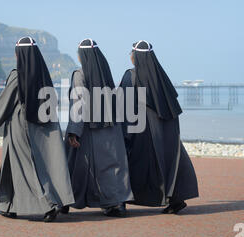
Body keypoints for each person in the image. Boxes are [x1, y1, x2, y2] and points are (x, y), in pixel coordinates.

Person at [0, 37, 74, 222]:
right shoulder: (43, 75)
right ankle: (9, 206)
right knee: (26, 167)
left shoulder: (18, 75)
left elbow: (5, 101)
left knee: (23, 168)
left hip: (20, 128)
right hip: (42, 129)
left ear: (20, 54)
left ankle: (48, 204)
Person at [120, 40, 199, 214]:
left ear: (136, 57)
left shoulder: (130, 76)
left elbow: (124, 106)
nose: (130, 57)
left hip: (141, 131)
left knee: (130, 162)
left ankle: (120, 200)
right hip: (166, 132)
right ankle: (176, 198)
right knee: (169, 162)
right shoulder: (161, 77)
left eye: (131, 54)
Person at [63, 39, 134, 217]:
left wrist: (74, 131)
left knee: (74, 163)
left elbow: (78, 103)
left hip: (89, 130)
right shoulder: (105, 71)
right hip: (112, 128)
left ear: (83, 56)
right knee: (112, 167)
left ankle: (64, 200)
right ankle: (117, 203)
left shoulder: (80, 74)